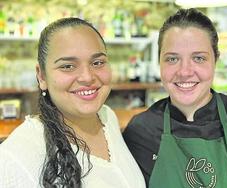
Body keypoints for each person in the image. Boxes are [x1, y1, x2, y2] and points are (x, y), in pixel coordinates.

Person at [123, 8, 227, 188]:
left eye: (198, 58)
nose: (185, 72)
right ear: (158, 62)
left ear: (216, 60)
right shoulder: (140, 132)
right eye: (172, 59)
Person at [0, 17, 145, 188]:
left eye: (97, 62)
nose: (87, 77)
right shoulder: (16, 156)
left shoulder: (107, 117)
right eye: (68, 66)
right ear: (41, 76)